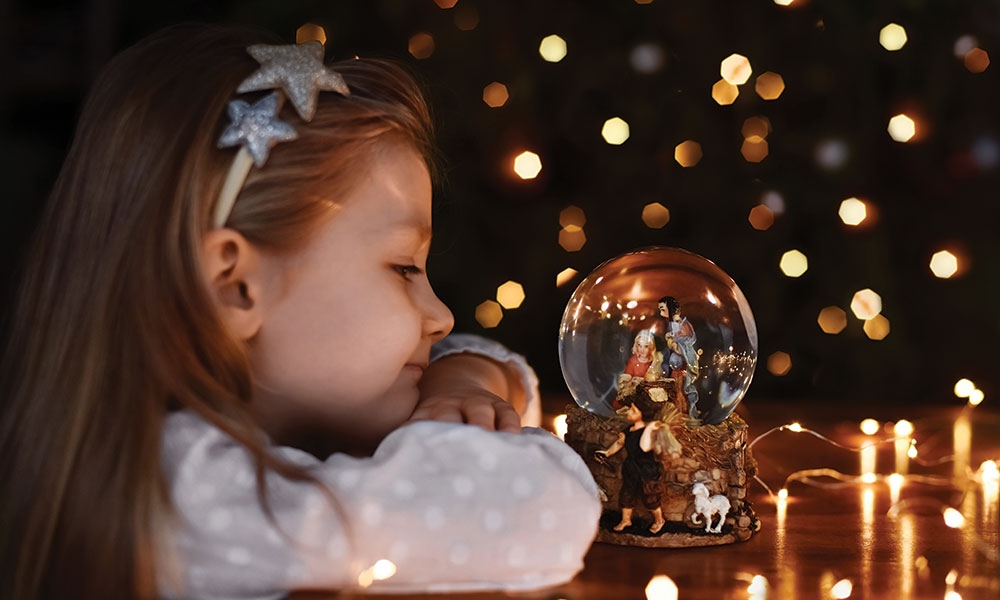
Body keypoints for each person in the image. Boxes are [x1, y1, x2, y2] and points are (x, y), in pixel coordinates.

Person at [0, 24, 600, 600]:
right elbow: (542, 509)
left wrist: (461, 378)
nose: (440, 317)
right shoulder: (182, 496)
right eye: (402, 269)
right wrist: (463, 397)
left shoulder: (239, 458)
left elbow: (495, 366)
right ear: (236, 287)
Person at [658, 295, 700, 418]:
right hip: (674, 368)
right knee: (674, 390)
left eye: (662, 309)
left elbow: (682, 348)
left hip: (681, 369)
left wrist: (671, 343)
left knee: (680, 391)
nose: (661, 313)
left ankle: (683, 413)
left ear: (670, 308)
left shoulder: (681, 325)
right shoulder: (671, 324)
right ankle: (676, 412)